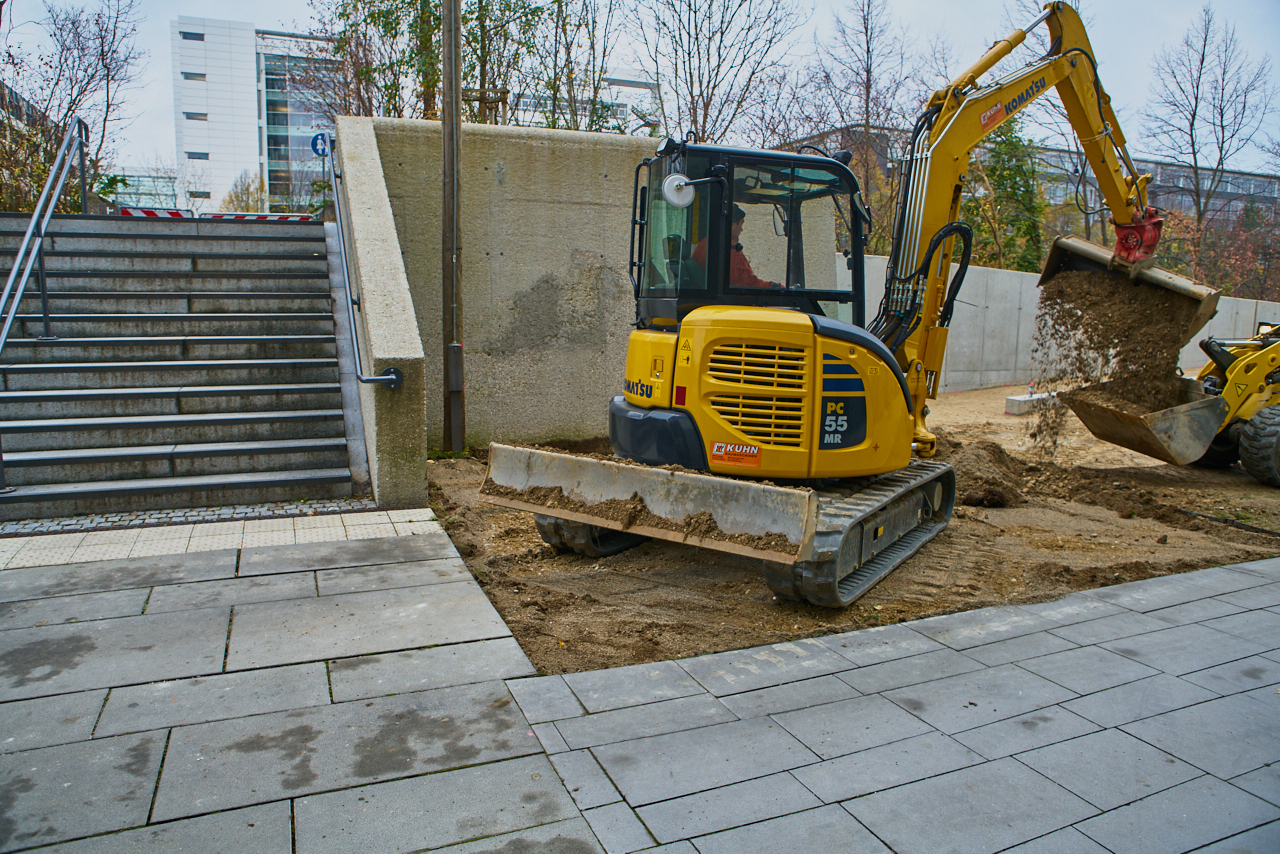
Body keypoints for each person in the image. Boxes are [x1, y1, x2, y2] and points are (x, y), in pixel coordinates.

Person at [692, 204, 778, 289]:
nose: (741, 229)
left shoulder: (704, 243)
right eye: (741, 224)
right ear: (732, 225)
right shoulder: (730, 248)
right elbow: (746, 283)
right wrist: (773, 287)